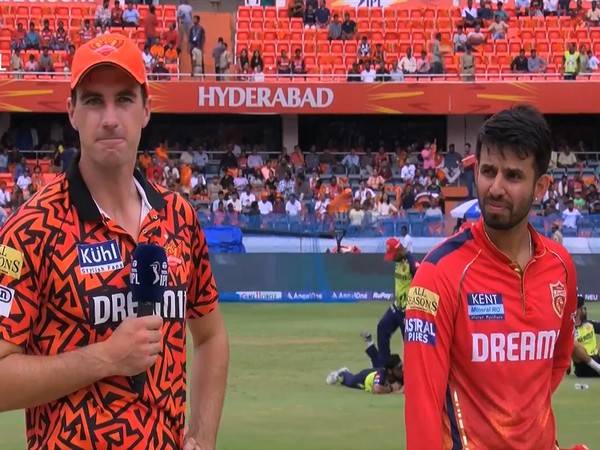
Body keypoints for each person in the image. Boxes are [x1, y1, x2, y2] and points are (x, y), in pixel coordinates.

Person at [0, 34, 229, 449]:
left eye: (123, 99)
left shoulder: (179, 218)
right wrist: (105, 357)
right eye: (93, 101)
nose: (109, 118)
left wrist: (203, 435)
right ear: (71, 111)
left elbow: (211, 337)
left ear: (146, 109)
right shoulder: (30, 229)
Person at [404, 106, 577, 449]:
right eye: (488, 171)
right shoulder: (438, 274)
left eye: (513, 176)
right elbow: (422, 403)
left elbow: (557, 363)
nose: (495, 188)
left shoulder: (561, 266)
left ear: (540, 186)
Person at [361, 238, 416, 367]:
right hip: (397, 306)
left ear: (399, 251)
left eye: (393, 255)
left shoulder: (411, 263)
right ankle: (384, 368)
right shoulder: (398, 261)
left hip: (408, 310)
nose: (391, 259)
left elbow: (422, 282)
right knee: (382, 327)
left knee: (410, 344)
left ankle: (411, 374)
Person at [326, 353, 404, 395]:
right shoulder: (382, 374)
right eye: (399, 368)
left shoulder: (402, 374)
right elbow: (376, 389)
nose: (402, 369)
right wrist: (391, 389)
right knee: (350, 382)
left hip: (375, 373)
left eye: (402, 366)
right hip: (366, 377)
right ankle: (342, 373)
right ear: (390, 371)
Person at [572, 295, 600, 377]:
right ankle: (597, 368)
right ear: (577, 310)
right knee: (572, 343)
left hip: (597, 358)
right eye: (582, 307)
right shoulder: (568, 329)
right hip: (583, 367)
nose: (585, 310)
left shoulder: (590, 324)